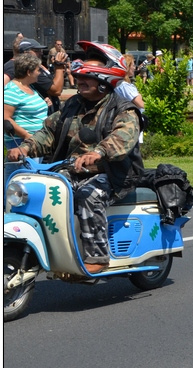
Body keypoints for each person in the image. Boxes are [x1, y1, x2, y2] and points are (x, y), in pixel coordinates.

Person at [6, 41, 142, 275]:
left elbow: (123, 138)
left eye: (86, 78)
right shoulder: (73, 105)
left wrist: (98, 152)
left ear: (103, 82)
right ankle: (58, 248)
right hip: (74, 169)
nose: (79, 82)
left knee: (88, 196)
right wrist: (26, 147)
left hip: (114, 173)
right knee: (39, 190)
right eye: (78, 77)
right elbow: (48, 132)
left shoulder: (122, 109)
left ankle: (98, 256)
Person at [4, 38, 67, 115]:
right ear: (25, 53)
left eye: (40, 51)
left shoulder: (36, 67)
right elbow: (56, 90)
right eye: (36, 51)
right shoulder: (30, 71)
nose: (40, 53)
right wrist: (59, 67)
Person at [3, 52, 49, 149]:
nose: (39, 73)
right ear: (29, 72)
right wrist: (27, 136)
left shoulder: (30, 87)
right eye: (38, 70)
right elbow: (5, 118)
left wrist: (44, 103)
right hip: (21, 143)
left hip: (35, 141)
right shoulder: (12, 90)